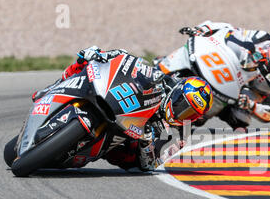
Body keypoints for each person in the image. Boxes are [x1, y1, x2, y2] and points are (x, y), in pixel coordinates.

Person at [32, 46, 213, 171]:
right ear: (177, 94)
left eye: (189, 113)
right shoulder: (166, 81)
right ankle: (49, 90)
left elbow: (151, 165)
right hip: (123, 107)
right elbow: (132, 63)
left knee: (76, 164)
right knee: (84, 63)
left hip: (126, 146)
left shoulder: (180, 136)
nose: (182, 113)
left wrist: (146, 143)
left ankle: (83, 147)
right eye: (182, 105)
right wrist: (106, 55)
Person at [179, 21, 270, 128]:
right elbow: (230, 30)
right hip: (233, 70)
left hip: (248, 94)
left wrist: (252, 106)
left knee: (242, 119)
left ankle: (213, 111)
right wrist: (205, 29)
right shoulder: (261, 38)